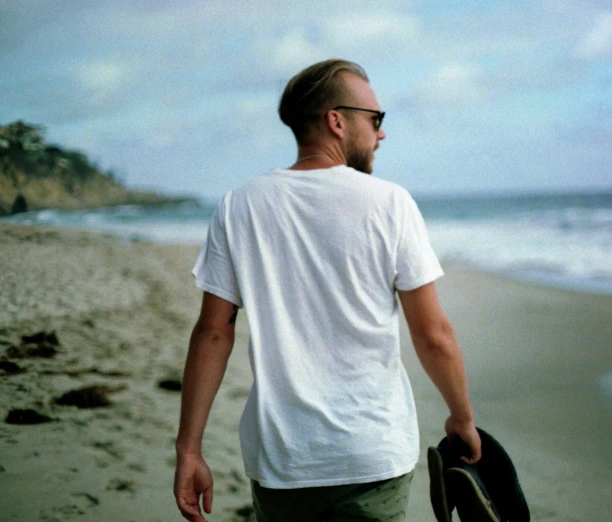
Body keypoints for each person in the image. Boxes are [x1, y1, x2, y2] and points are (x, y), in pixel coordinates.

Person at [174, 59, 481, 522]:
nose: (381, 134)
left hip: (283, 460)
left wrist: (189, 450)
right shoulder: (390, 203)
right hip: (370, 453)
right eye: (375, 120)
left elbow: (214, 333)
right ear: (336, 121)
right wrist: (462, 418)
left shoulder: (240, 206)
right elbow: (433, 333)